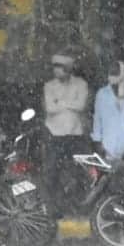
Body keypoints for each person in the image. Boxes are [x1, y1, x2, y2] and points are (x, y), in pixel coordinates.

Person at [43, 51, 91, 210]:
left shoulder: (81, 84)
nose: (56, 71)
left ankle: (79, 205)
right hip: (54, 135)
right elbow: (50, 108)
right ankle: (54, 206)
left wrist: (60, 102)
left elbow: (81, 105)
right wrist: (70, 103)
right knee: (52, 172)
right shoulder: (49, 86)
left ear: (68, 69)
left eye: (60, 68)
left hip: (75, 134)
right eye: (55, 68)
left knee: (79, 171)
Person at [92, 60, 124, 160]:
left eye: (115, 73)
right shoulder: (102, 94)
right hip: (106, 147)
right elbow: (97, 120)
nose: (111, 76)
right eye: (110, 73)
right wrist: (98, 143)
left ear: (123, 74)